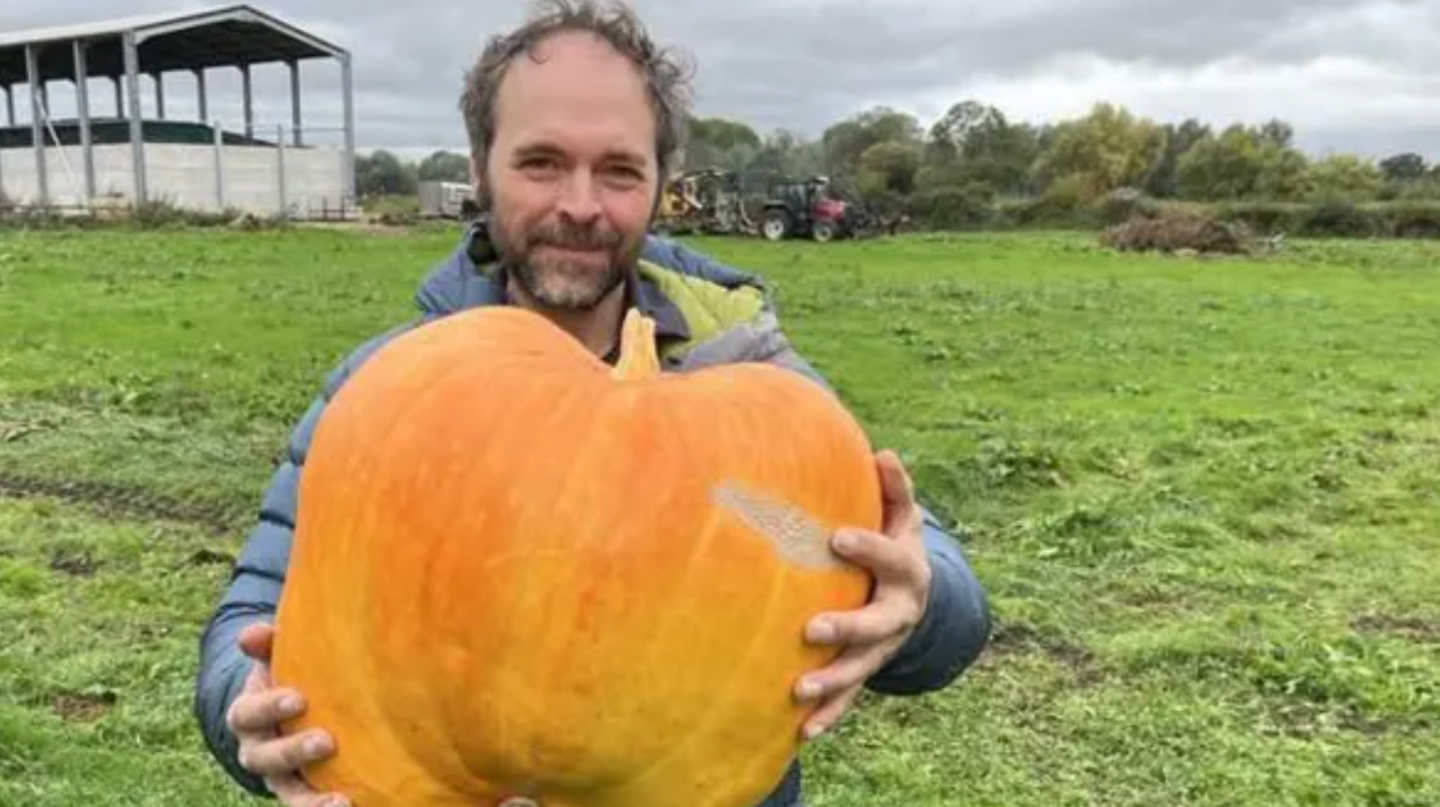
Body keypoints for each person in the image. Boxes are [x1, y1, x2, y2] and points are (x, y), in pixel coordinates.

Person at [192, 2, 992, 806]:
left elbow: (938, 588)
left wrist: (915, 603)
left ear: (659, 184)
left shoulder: (748, 375)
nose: (581, 203)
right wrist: (248, 711)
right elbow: (249, 619)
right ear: (481, 167)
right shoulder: (390, 386)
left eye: (618, 169)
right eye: (541, 162)